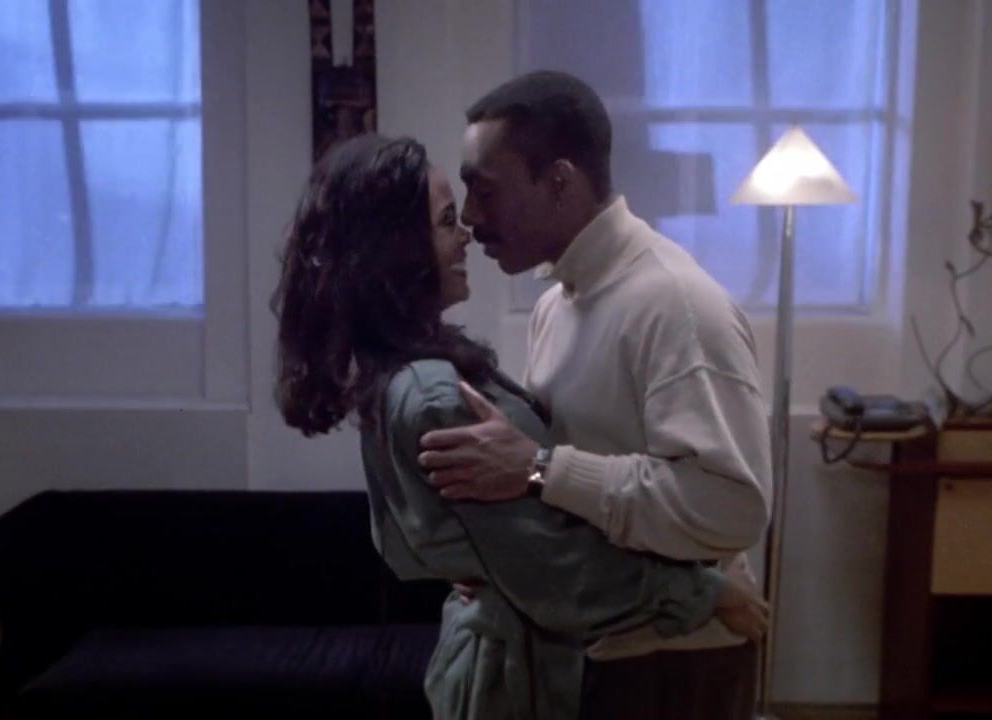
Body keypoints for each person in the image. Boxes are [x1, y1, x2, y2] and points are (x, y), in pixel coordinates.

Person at [272, 133, 768, 720]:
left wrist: (488, 555)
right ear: (396, 251)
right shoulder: (431, 393)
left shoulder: (417, 366)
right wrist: (710, 594)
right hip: (532, 674)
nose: (468, 229)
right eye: (448, 219)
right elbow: (555, 569)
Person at [418, 71, 774, 719]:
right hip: (596, 653)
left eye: (485, 190)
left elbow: (731, 508)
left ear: (559, 180)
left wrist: (538, 468)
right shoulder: (556, 306)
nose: (469, 217)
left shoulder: (678, 307)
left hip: (673, 665)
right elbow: (566, 496)